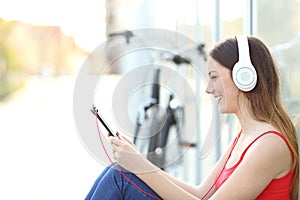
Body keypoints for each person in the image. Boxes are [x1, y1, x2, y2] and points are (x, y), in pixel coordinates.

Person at [85, 36, 299, 199]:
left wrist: (141, 166)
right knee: (119, 170)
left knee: (119, 177)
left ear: (244, 76)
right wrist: (138, 162)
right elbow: (202, 194)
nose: (208, 89)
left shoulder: (269, 144)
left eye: (214, 77)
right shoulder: (246, 136)